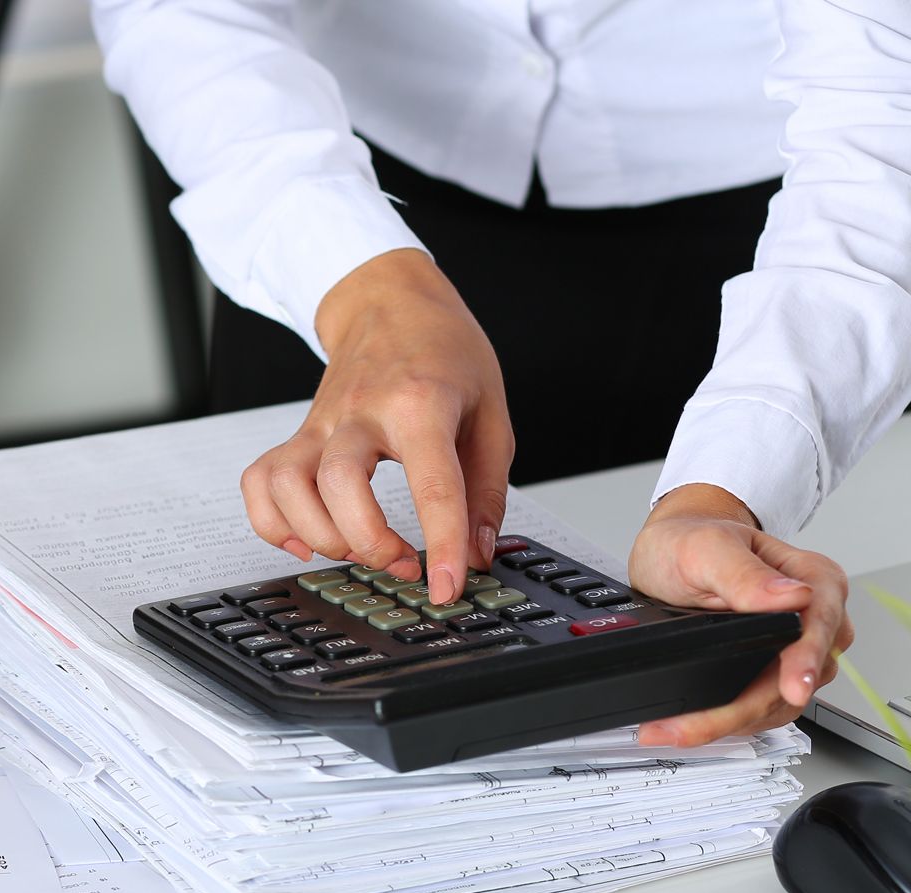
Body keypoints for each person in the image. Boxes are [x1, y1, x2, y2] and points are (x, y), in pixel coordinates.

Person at [94, 0, 911, 747]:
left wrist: (723, 496)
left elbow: (884, 133)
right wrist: (365, 295)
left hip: (766, 229)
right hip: (334, 199)